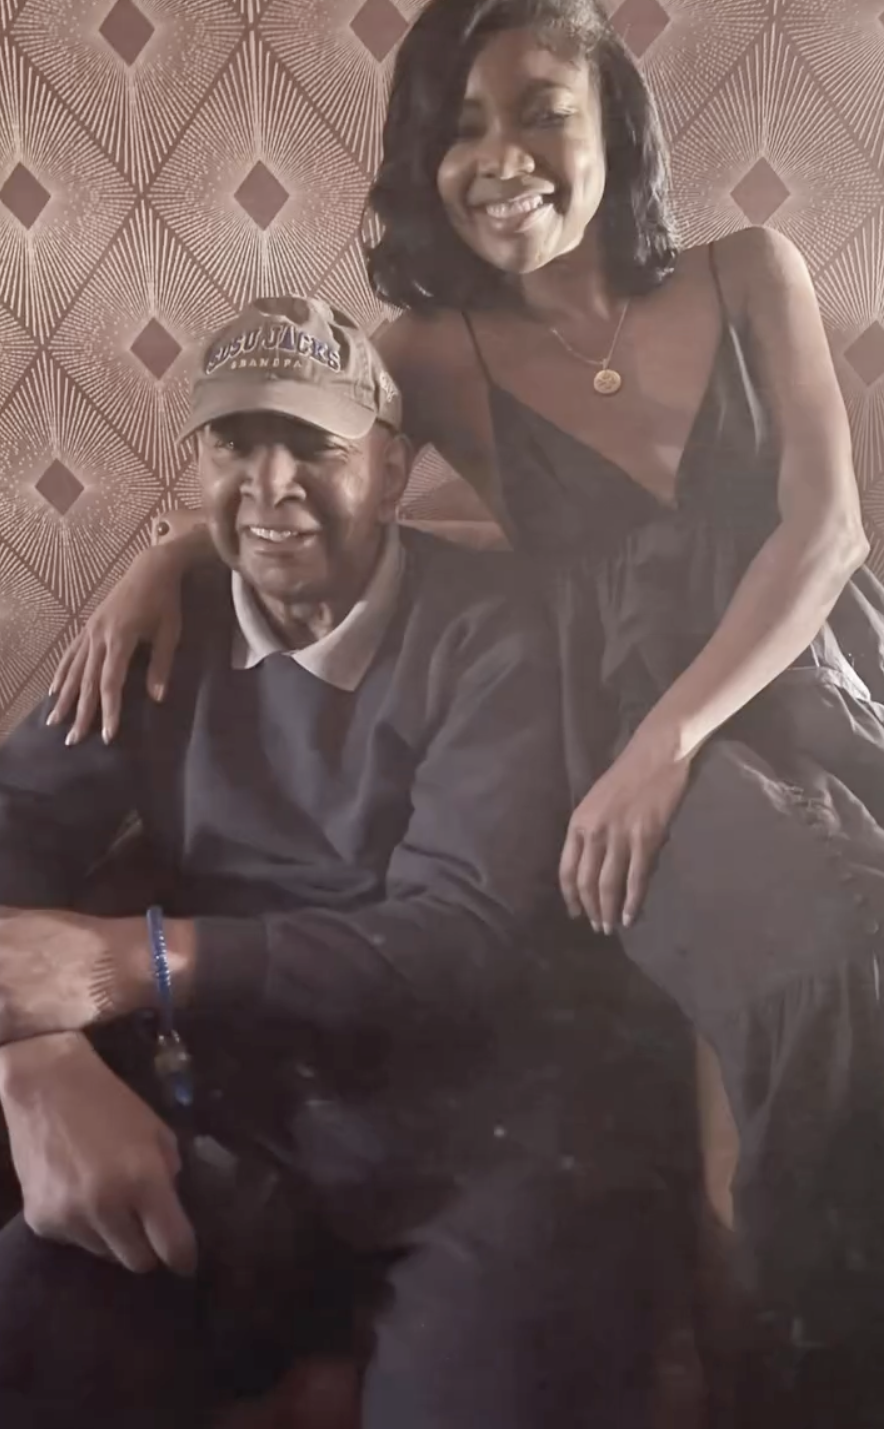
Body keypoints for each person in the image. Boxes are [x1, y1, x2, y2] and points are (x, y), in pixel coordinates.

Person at [46, 0, 884, 1407]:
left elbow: (828, 532)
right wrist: (162, 561)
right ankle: (806, 1359)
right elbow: (311, 467)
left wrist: (675, 738)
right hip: (617, 722)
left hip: (802, 667)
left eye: (539, 109)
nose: (500, 157)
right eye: (457, 125)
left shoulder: (751, 270)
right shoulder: (431, 351)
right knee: (812, 952)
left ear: (611, 115)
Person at [0, 295, 659, 1429]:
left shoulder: (494, 631)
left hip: (476, 1137)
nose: (271, 485)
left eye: (313, 444)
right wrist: (40, 1056)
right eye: (234, 444)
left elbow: (457, 936)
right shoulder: (162, 624)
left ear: (392, 472)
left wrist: (135, 961)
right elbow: (12, 817)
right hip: (233, 1120)